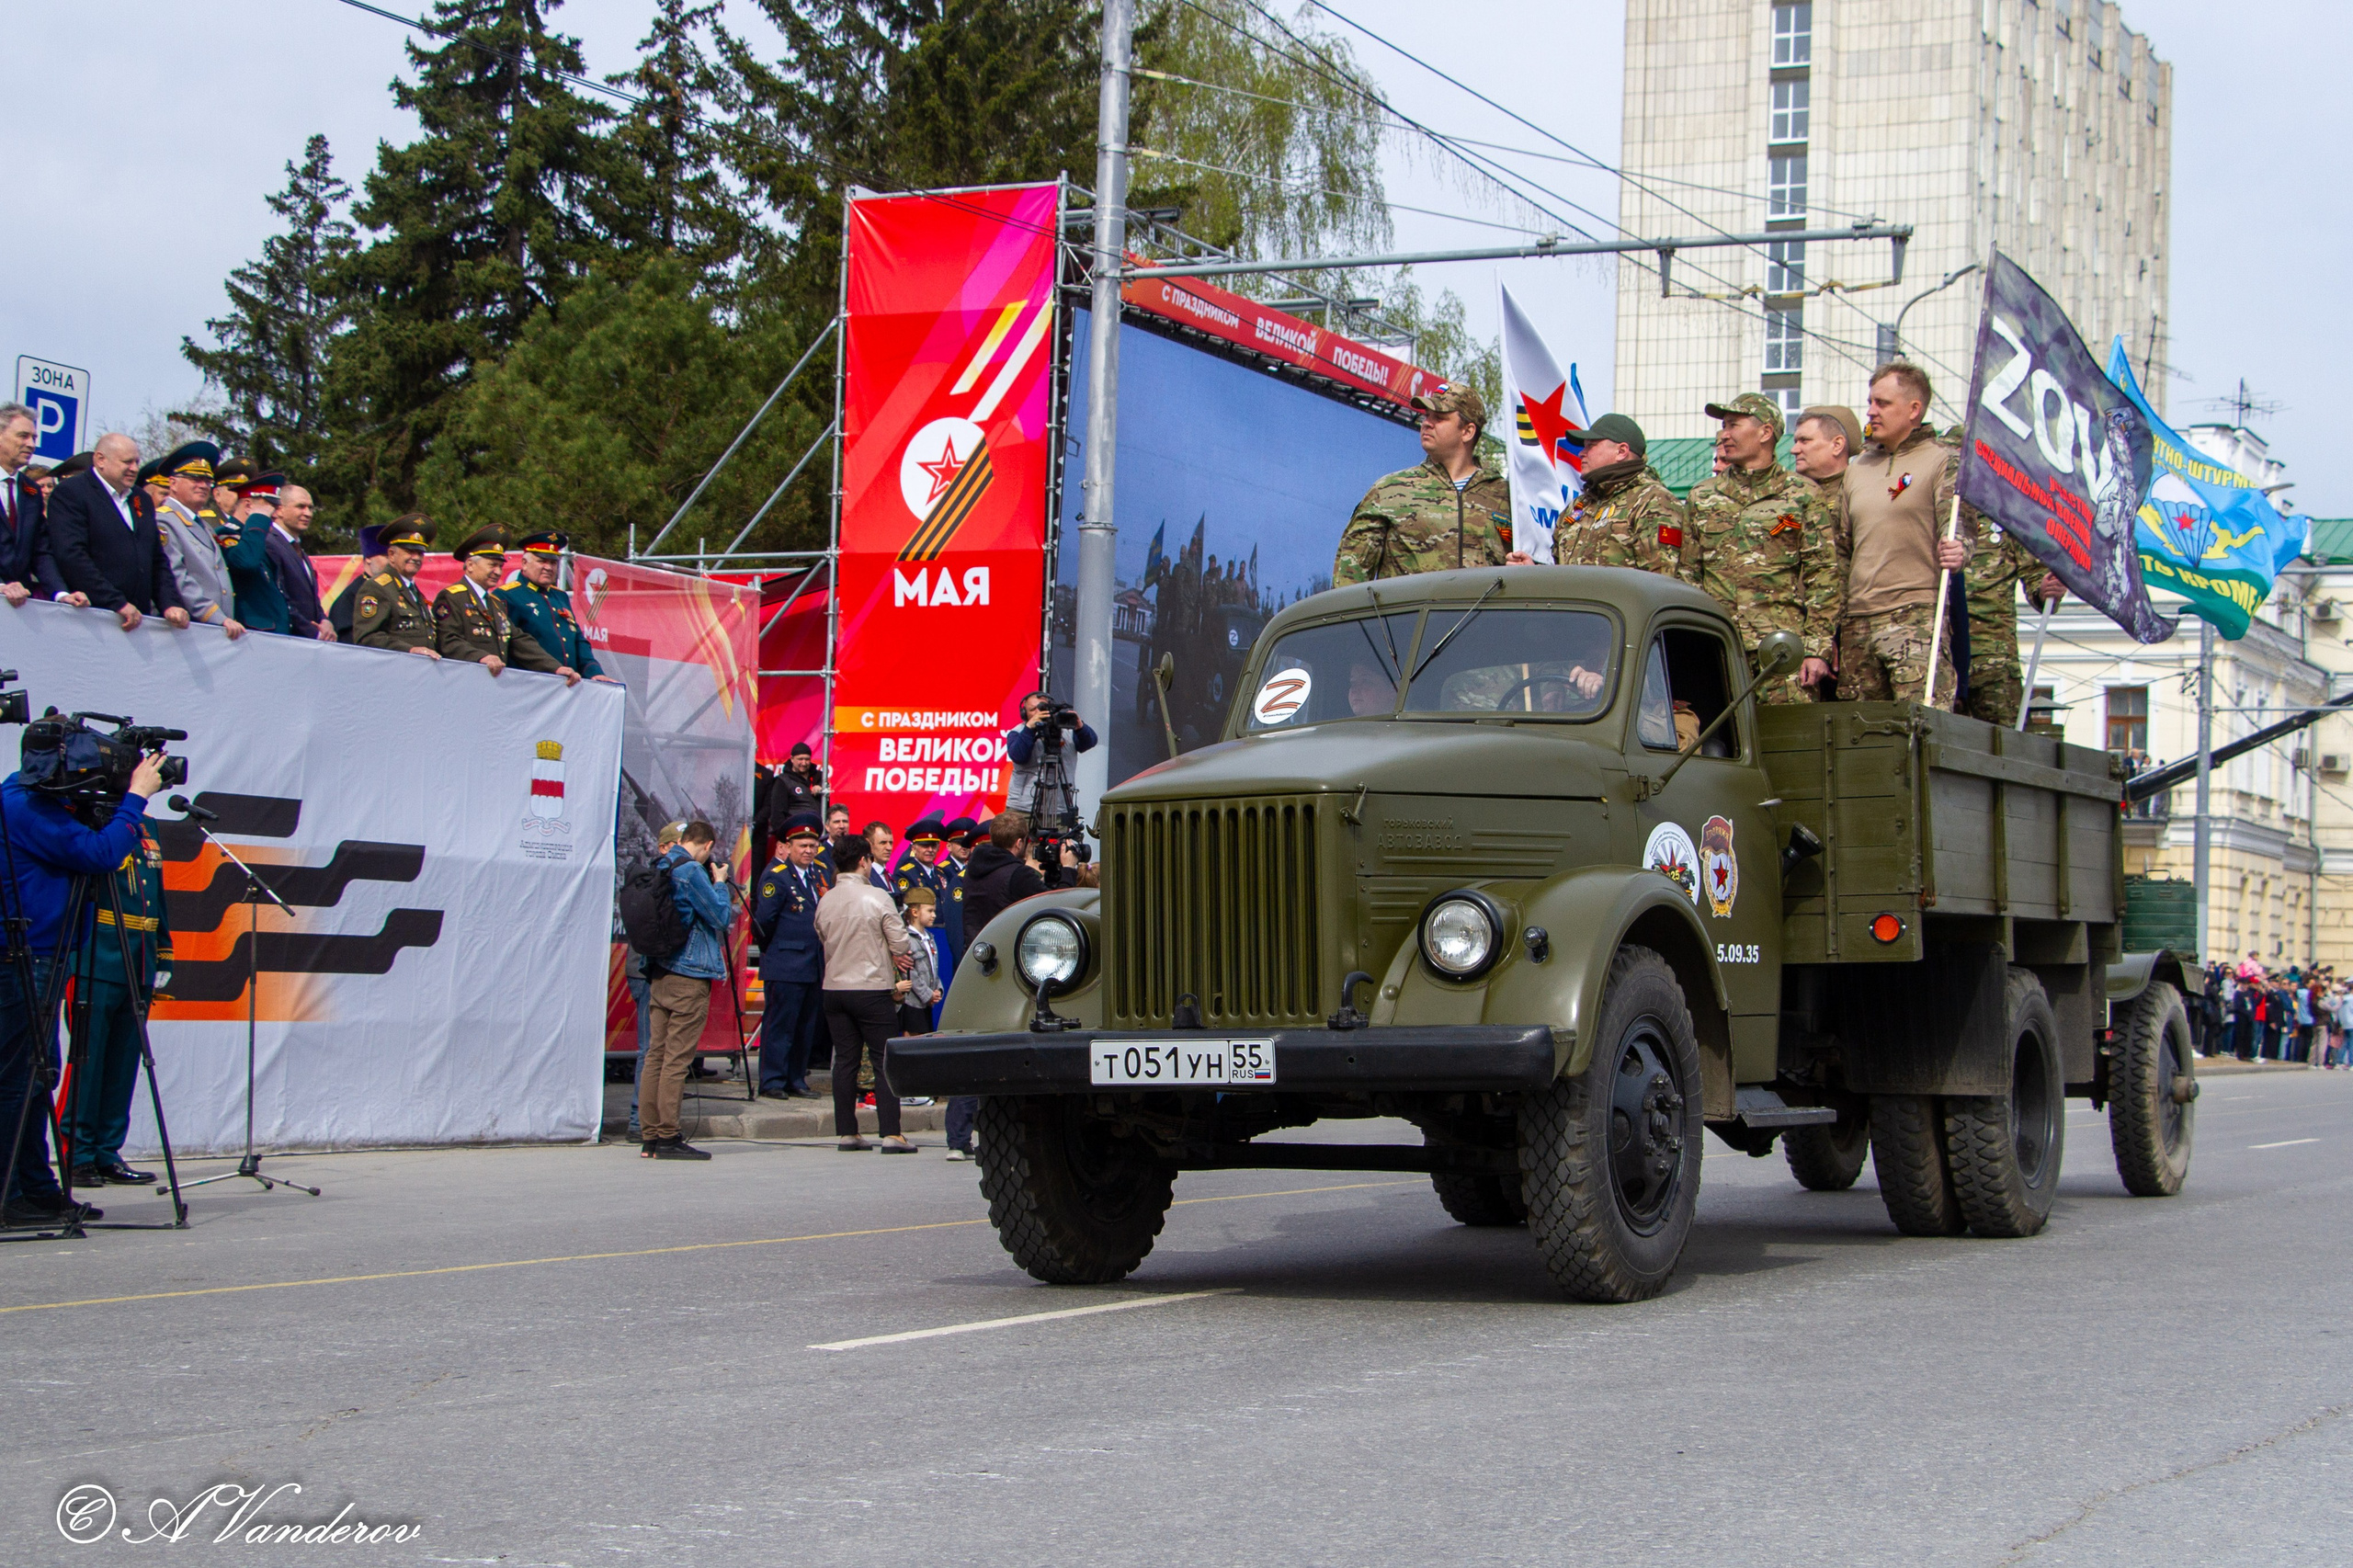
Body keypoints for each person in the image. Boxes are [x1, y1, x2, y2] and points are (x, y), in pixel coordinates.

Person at [1, 741, 167, 1226]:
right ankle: (9, 1195)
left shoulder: (35, 803)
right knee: (17, 1080)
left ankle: (36, 1188)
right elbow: (100, 855)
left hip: (43, 955)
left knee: (36, 1077)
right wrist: (135, 797)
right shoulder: (24, 806)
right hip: (24, 957)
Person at [1835, 365, 1978, 707]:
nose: (1871, 411)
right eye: (1870, 402)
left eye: (1882, 403)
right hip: (1858, 623)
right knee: (1858, 741)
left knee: (1919, 731)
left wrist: (1960, 550)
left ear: (1914, 409)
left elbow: (1958, 527)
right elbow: (1841, 550)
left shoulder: (1943, 460)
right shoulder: (1856, 470)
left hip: (1915, 616)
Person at [1683, 393, 1838, 700]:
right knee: (1717, 741)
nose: (1724, 434)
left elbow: (1823, 575)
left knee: (1790, 741)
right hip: (1718, 647)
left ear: (1765, 433)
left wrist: (1817, 649)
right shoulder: (1702, 496)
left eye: (1733, 425)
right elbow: (1688, 574)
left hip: (1783, 652)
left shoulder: (1802, 494)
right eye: (1723, 426)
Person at [61, 815, 171, 1188]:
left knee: (124, 1061)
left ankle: (107, 1151)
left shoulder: (148, 826)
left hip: (139, 957)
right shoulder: (89, 815)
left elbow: (156, 892)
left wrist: (164, 951)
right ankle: (76, 1153)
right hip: (97, 952)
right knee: (87, 1062)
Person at [1333, 384, 1519, 585]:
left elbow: (1538, 567)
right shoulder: (1389, 491)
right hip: (1412, 615)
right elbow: (1348, 578)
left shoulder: (1510, 498)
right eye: (1426, 416)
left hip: (1486, 616)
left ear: (1467, 431)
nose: (1427, 424)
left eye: (1439, 418)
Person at [815, 833, 916, 1154]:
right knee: (883, 1059)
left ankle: (847, 1131)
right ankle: (891, 1133)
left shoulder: (826, 899)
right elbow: (901, 943)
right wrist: (893, 951)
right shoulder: (877, 896)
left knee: (844, 1061)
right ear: (863, 861)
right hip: (871, 987)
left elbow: (821, 934)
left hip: (834, 987)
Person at [639, 820, 729, 1161]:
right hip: (688, 975)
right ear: (706, 846)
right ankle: (669, 1136)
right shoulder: (691, 871)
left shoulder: (661, 864)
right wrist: (719, 882)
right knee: (676, 1060)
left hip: (659, 971)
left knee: (655, 1056)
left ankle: (650, 1138)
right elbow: (720, 917)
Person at [40, 433, 191, 631]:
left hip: (137, 618)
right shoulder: (72, 492)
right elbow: (72, 555)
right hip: (92, 618)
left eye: (137, 462)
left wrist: (170, 603)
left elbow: (155, 559)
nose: (134, 468)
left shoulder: (141, 499)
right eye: (127, 462)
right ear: (101, 460)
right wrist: (116, 602)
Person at [750, 812, 827, 1100]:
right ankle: (772, 1080)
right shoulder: (777, 876)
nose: (808, 851)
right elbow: (763, 923)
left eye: (812, 845)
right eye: (802, 846)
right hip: (785, 963)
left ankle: (796, 1078)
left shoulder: (819, 874)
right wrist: (776, 953)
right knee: (780, 1025)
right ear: (788, 847)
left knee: (805, 1026)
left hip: (813, 963)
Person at [434, 528, 577, 681]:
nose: (498, 572)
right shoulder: (452, 597)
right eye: (492, 565)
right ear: (470, 565)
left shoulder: (494, 603)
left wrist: (555, 667)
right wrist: (482, 657)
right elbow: (447, 640)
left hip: (491, 684)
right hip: (462, 680)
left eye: (500, 567)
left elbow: (518, 641)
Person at [1552, 414, 1686, 576]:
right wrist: (1536, 568)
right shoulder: (1579, 506)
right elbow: (1559, 572)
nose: (1581, 453)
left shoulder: (1653, 501)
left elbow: (1661, 582)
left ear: (1621, 451)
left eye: (1591, 446)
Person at [150, 442, 246, 639]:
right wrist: (216, 616)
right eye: (194, 479)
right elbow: (177, 577)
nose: (203, 485)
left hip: (211, 629)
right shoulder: (164, 521)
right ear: (173, 483)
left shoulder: (203, 525)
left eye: (207, 480)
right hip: (184, 630)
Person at [499, 529, 617, 682]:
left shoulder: (560, 596)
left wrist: (593, 672)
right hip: (529, 683)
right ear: (524, 563)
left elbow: (577, 639)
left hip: (567, 685)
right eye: (542, 561)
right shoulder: (507, 596)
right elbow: (512, 645)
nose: (548, 568)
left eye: (553, 562)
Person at [209, 460, 291, 636]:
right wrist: (258, 518)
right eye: (271, 508)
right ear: (248, 507)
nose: (276, 515)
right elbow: (245, 562)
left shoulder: (259, 538)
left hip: (273, 632)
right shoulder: (226, 534)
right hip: (251, 633)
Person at [351, 516, 443, 656]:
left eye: (420, 553)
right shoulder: (377, 588)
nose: (416, 558)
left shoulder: (412, 590)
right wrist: (409, 650)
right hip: (394, 672)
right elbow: (366, 637)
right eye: (409, 551)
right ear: (391, 555)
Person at [1006, 692, 1099, 830]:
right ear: (1024, 714)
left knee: (1058, 849)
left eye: (1043, 708)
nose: (1039, 712)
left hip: (1058, 809)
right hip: (1022, 808)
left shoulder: (1066, 731)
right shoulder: (1018, 732)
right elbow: (1019, 755)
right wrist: (1030, 729)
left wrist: (1080, 727)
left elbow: (1090, 742)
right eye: (1033, 710)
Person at [0, 404, 54, 608]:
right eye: (23, 436)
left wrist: (60, 593)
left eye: (34, 438)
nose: (31, 444)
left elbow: (40, 550)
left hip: (18, 605)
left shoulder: (30, 490)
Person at [963, 812, 1048, 938]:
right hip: (1004, 952)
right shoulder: (1018, 874)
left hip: (976, 951)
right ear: (1019, 843)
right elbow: (1056, 904)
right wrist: (1068, 868)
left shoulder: (972, 868)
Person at [266, 483, 334, 640]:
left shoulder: (299, 551)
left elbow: (310, 599)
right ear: (279, 510)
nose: (308, 513)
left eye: (310, 508)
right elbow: (281, 598)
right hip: (289, 639)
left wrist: (325, 621)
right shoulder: (270, 544)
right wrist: (313, 633)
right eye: (300, 507)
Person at [328, 526, 391, 642]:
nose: (391, 563)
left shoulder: (393, 589)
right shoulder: (352, 595)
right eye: (386, 556)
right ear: (368, 558)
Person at [897, 885, 943, 1038]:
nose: (934, 915)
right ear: (915, 912)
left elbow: (933, 968)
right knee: (912, 1042)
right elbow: (910, 974)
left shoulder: (929, 937)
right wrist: (927, 994)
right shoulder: (907, 940)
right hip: (913, 1003)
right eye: (929, 911)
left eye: (934, 911)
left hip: (926, 1001)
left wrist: (938, 990)